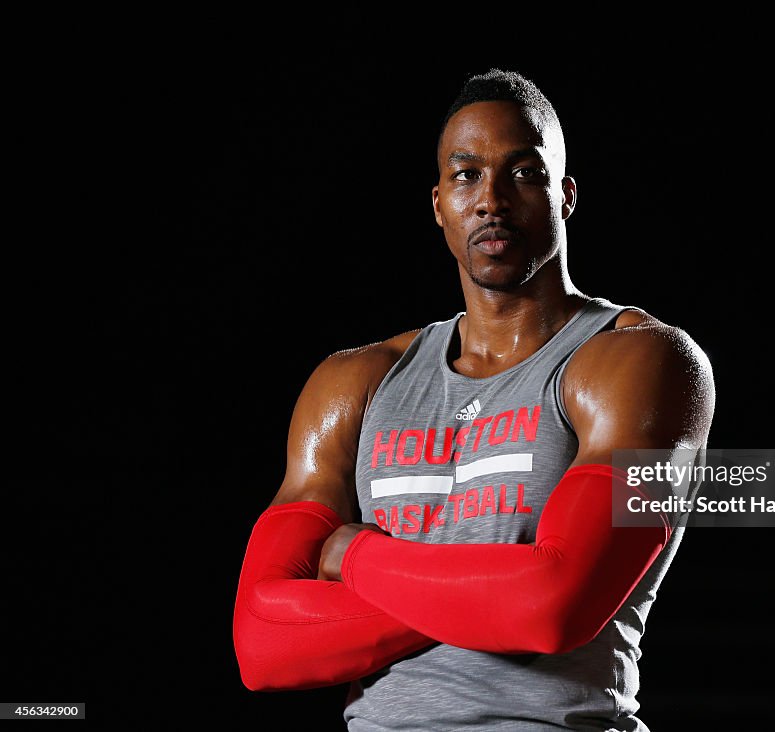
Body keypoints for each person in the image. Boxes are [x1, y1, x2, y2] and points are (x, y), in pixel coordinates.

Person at [233, 68, 715, 731]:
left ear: (564, 194)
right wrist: (493, 594)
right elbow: (264, 644)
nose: (491, 199)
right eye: (466, 176)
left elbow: (555, 606)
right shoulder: (354, 383)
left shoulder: (635, 361)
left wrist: (357, 557)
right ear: (438, 203)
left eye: (522, 173)